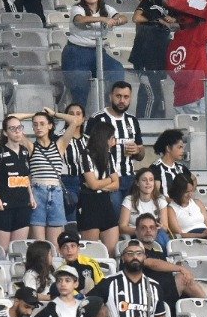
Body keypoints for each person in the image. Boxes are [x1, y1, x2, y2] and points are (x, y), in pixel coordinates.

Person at [0, 116, 35, 252]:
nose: (17, 131)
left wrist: (31, 196)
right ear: (5, 132)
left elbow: (25, 176)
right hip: (3, 208)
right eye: (12, 128)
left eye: (19, 128)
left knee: (18, 249)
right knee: (2, 249)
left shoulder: (24, 151)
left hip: (22, 206)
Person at [24, 109, 74, 245]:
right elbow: (10, 119)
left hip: (56, 192)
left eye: (42, 123)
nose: (38, 127)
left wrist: (54, 114)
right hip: (37, 192)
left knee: (55, 244)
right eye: (35, 124)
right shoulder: (31, 146)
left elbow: (74, 121)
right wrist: (31, 114)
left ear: (50, 125)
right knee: (39, 243)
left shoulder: (59, 145)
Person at [89, 81, 143, 204]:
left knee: (130, 218)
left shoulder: (132, 120)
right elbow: (87, 150)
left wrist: (137, 150)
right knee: (114, 218)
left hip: (129, 178)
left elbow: (141, 154)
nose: (122, 100)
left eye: (126, 97)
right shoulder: (97, 118)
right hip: (107, 178)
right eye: (118, 96)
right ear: (110, 96)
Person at [136, 214, 204, 312]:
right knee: (183, 278)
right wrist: (180, 269)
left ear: (156, 231)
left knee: (187, 279)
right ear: (136, 232)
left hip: (167, 294)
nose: (148, 231)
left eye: (152, 227)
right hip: (149, 296)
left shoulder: (158, 252)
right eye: (143, 228)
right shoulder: (134, 249)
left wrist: (178, 267)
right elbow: (151, 263)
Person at [129, 0, 176, 117]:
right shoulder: (147, 4)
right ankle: (145, 122)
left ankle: (154, 119)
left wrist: (172, 20)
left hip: (161, 59)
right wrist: (159, 20)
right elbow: (136, 18)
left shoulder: (171, 8)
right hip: (145, 59)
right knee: (151, 95)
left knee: (159, 95)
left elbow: (177, 23)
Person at [76, 120, 120, 256]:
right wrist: (107, 181)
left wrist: (98, 185)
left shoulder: (109, 156)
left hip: (105, 203)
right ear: (104, 138)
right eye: (112, 137)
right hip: (90, 204)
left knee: (111, 252)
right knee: (90, 252)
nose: (114, 141)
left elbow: (116, 184)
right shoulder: (85, 155)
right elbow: (94, 184)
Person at [164, 175, 207, 250]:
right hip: (190, 240)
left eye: (191, 191)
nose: (190, 195)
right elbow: (179, 234)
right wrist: (201, 235)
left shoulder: (197, 203)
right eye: (186, 192)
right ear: (178, 192)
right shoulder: (171, 209)